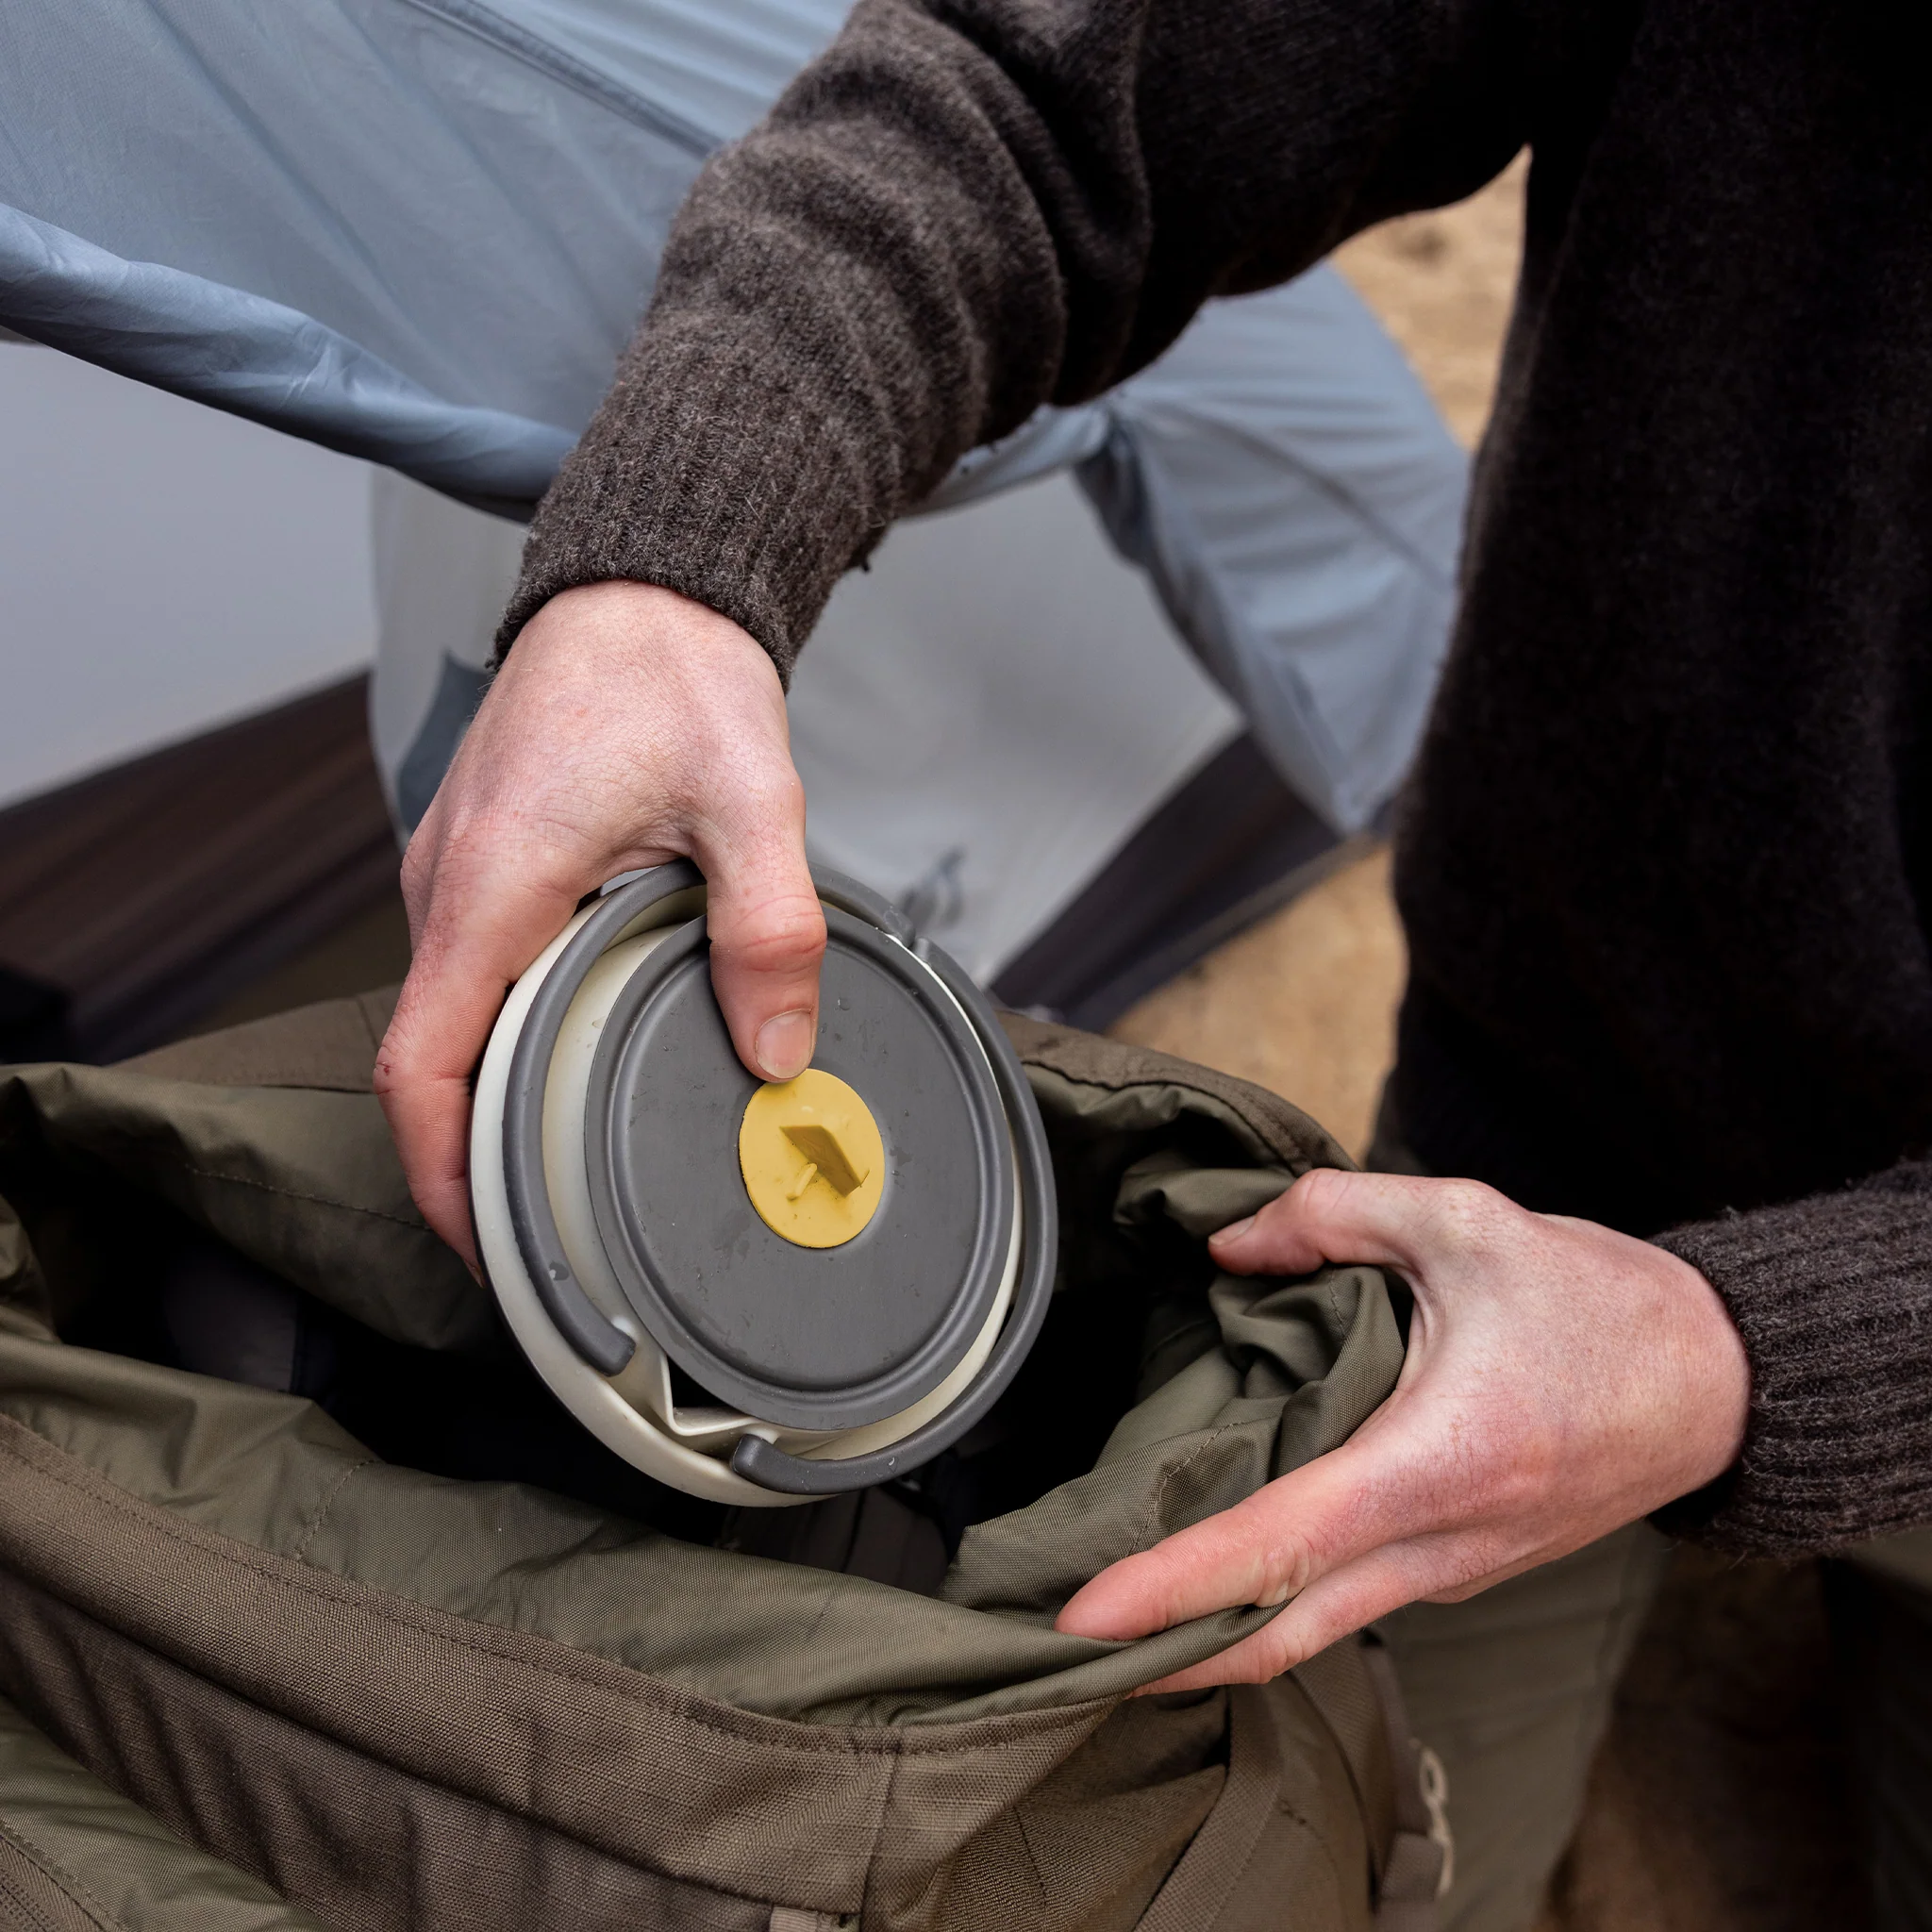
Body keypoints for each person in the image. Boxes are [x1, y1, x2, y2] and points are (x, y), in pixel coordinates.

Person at [374, 1, 1932, 1926]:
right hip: (1524, 1144)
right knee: (1353, 1853)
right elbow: (1036, 101)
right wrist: (667, 567)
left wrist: (1761, 1361)